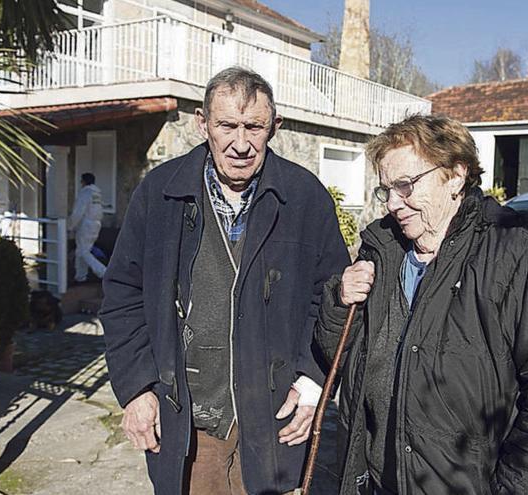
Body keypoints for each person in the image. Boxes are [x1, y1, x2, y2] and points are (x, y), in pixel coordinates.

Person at [315, 114, 528, 494]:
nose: (392, 204)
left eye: (405, 186)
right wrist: (341, 304)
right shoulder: (382, 253)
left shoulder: (514, 255)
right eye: (385, 189)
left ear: (455, 176)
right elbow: (337, 362)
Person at [99, 67, 349, 495]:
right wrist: (138, 388)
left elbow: (332, 299)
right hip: (191, 420)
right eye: (227, 126)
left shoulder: (305, 197)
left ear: (275, 127)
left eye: (254, 127)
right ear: (203, 123)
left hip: (274, 419)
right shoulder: (159, 194)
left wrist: (312, 384)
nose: (240, 143)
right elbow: (123, 295)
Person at [69, 172, 106, 282]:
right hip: (96, 224)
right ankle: (81, 276)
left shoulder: (85, 193)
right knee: (82, 251)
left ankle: (103, 272)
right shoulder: (97, 194)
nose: (80, 183)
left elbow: (78, 212)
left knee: (83, 251)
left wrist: (70, 226)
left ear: (84, 181)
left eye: (81, 181)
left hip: (86, 225)